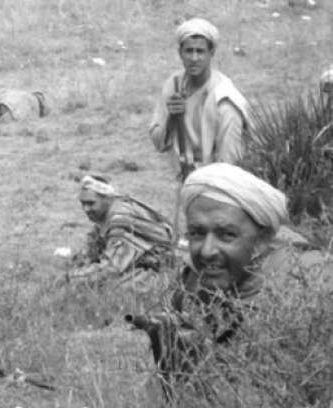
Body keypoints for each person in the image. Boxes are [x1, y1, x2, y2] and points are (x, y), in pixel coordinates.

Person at [134, 163, 331, 398]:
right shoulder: (193, 280)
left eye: (227, 235)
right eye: (197, 233)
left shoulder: (311, 281)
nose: (207, 251)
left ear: (263, 237)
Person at [149, 18, 250, 174]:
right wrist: (171, 119)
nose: (194, 58)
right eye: (189, 51)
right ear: (180, 53)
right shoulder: (174, 85)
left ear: (211, 53)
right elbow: (158, 143)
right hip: (183, 177)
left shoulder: (225, 101)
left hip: (215, 179)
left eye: (200, 51)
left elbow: (229, 164)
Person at [67, 174, 174, 288]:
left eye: (91, 203)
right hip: (143, 263)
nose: (86, 209)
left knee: (111, 285)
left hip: (162, 270)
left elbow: (113, 267)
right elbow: (91, 250)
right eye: (83, 203)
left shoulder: (121, 218)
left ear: (107, 199)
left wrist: (72, 278)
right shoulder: (107, 214)